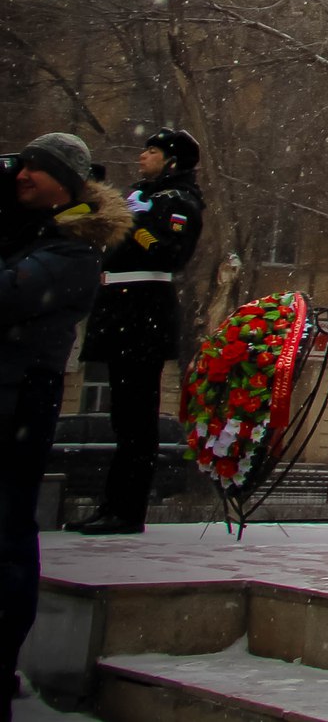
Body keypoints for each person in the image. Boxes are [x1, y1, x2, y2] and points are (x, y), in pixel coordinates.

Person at [0, 134, 130, 710]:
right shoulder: (24, 230)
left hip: (18, 396)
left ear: (67, 183)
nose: (23, 174)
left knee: (6, 528)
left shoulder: (74, 249)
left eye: (37, 168)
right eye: (20, 164)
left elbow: (11, 295)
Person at [71, 128, 203, 536]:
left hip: (143, 309)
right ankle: (113, 504)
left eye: (152, 151)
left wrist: (134, 224)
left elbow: (170, 253)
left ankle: (127, 509)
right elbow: (85, 224)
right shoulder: (138, 196)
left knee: (136, 420)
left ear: (173, 161)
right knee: (122, 418)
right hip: (118, 307)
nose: (142, 157)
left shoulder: (177, 201)